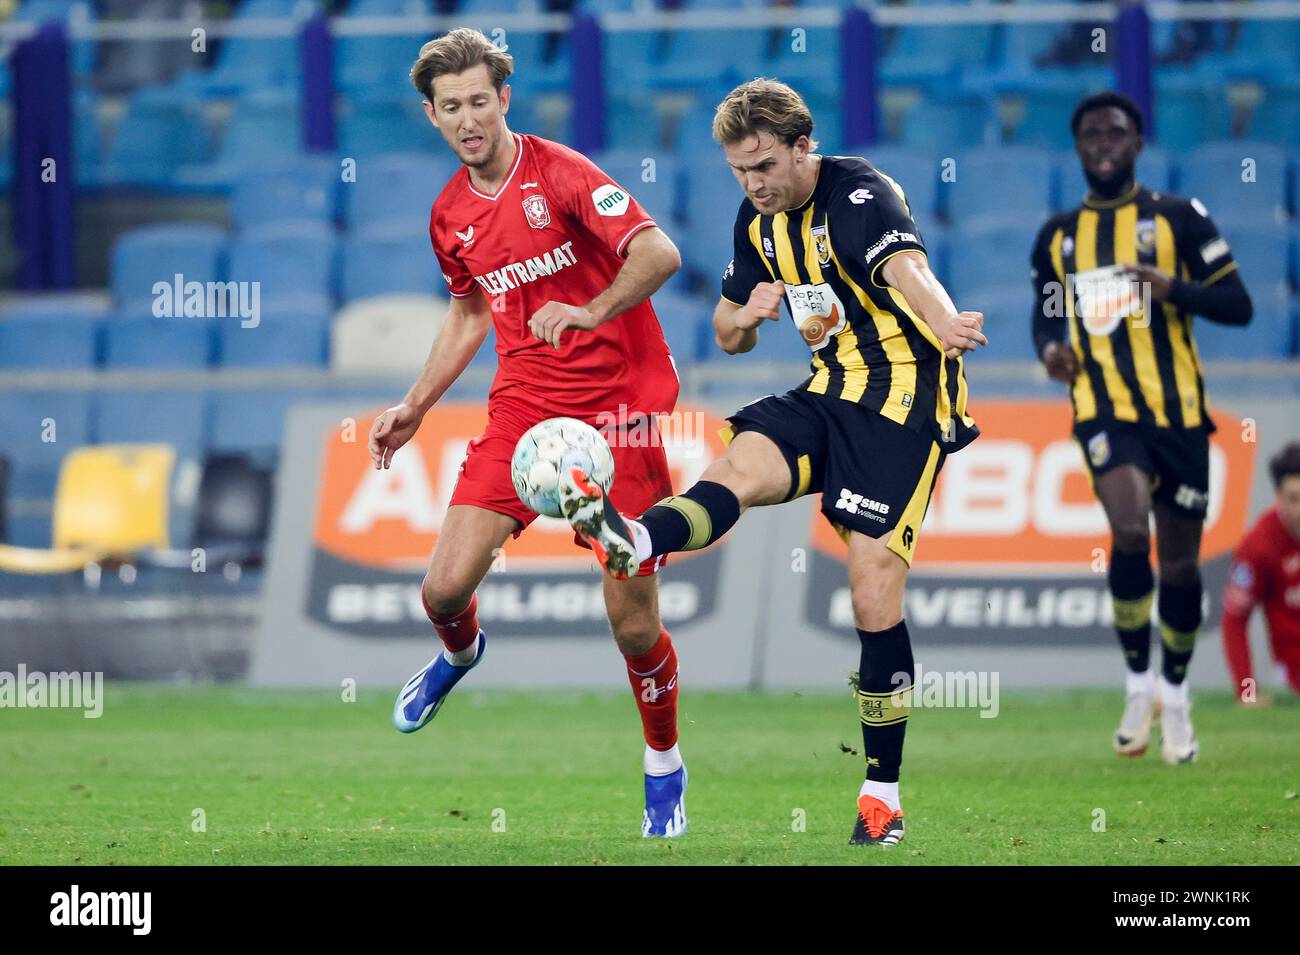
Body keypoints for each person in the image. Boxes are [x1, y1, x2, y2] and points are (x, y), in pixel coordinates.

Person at [557, 78, 984, 847]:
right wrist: (745, 318)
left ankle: (881, 794)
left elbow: (908, 272)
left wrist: (946, 319)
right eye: (738, 170)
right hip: (828, 392)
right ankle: (636, 539)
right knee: (738, 471)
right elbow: (725, 330)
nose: (753, 183)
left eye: (763, 165)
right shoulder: (757, 223)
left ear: (801, 146)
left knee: (870, 597)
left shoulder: (861, 196)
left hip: (904, 403)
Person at [370, 29, 688, 837]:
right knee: (441, 590)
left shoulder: (563, 174)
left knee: (634, 625)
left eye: (481, 100)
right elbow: (472, 308)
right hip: (525, 415)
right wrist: (416, 403)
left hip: (620, 413)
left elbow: (659, 252)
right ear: (432, 116)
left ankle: (663, 764)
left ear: (505, 99)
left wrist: (589, 309)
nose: (469, 118)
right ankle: (461, 655)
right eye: (452, 107)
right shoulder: (449, 215)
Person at [1030, 91, 1253, 764]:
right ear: (1078, 147)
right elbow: (1046, 314)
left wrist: (1170, 287)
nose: (1103, 142)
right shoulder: (1059, 236)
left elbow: (1238, 305)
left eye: (1116, 132)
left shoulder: (1181, 218)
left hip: (1180, 414)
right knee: (1129, 530)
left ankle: (1175, 694)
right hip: (1102, 407)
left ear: (1137, 143)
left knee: (1181, 566)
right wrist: (1050, 352)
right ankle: (1136, 684)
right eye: (1091, 133)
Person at [1222, 443, 1300, 703]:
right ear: (1278, 496)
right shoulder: (1259, 546)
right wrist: (1246, 691)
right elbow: (1234, 619)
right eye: (1294, 499)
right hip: (1294, 668)